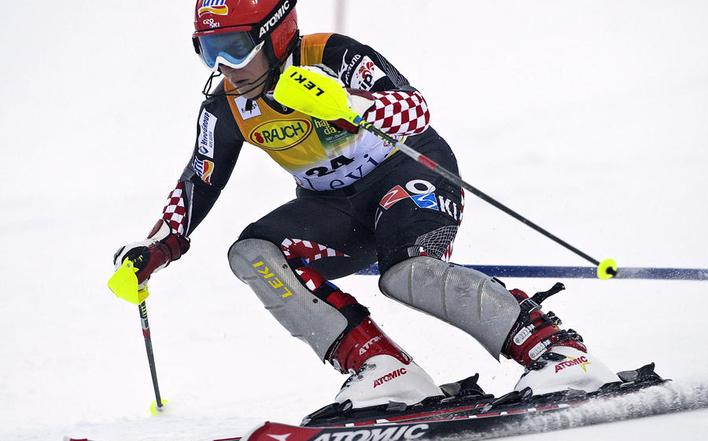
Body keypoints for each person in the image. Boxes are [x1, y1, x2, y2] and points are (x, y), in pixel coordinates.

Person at [114, 0, 618, 411]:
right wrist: (158, 247)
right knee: (254, 253)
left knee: (408, 274)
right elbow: (199, 179)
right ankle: (383, 368)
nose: (225, 67)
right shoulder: (225, 106)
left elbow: (416, 109)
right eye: (209, 52)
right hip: (335, 208)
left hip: (409, 173)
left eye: (236, 49)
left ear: (276, 33)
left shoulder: (331, 55)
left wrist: (350, 105)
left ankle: (555, 351)